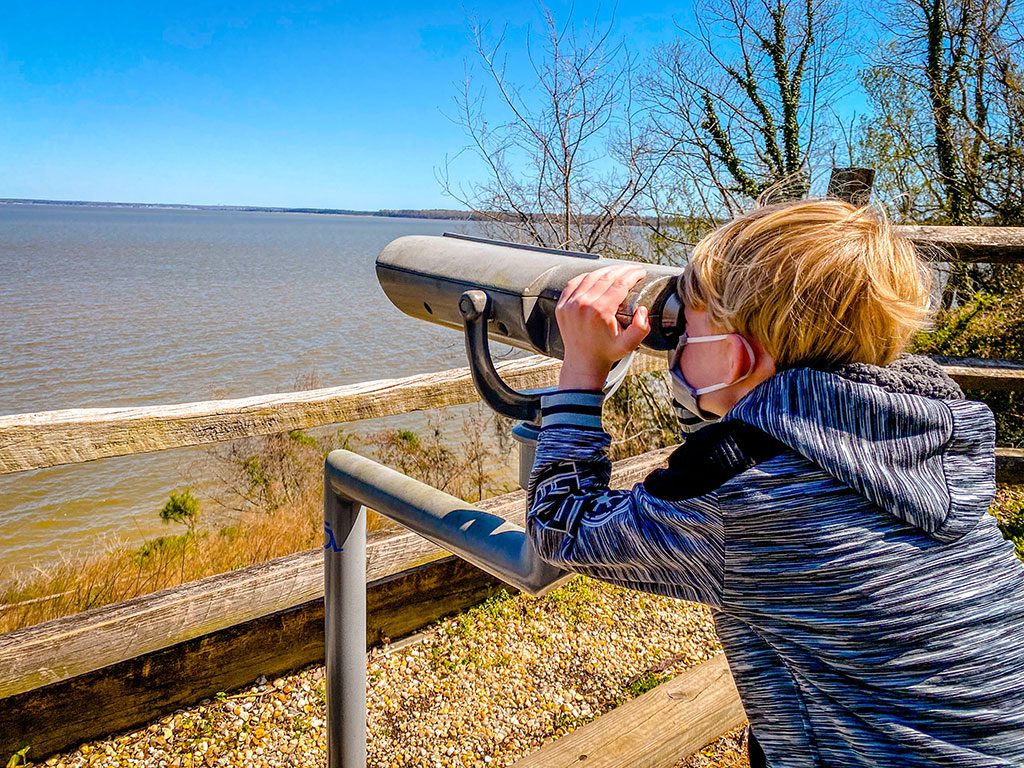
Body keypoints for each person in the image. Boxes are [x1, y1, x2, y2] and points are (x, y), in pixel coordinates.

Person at [525, 198, 1024, 767]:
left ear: (737, 356)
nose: (674, 349)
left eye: (684, 330)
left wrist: (581, 372)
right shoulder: (922, 428)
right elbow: (763, 413)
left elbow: (560, 524)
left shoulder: (743, 493)